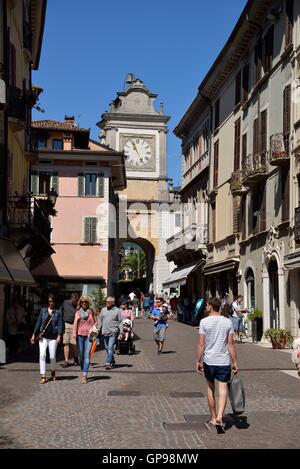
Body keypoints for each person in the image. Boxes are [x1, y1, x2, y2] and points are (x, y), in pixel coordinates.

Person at [195, 297, 238, 428]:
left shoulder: (204, 322)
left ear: (209, 306)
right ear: (219, 307)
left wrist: (198, 360)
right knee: (223, 388)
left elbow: (201, 344)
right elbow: (230, 344)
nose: (206, 307)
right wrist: (235, 361)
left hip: (209, 360)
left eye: (207, 305)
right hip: (223, 360)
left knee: (210, 388)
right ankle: (220, 416)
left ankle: (213, 417)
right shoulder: (227, 322)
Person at [31, 294, 63, 384]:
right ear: (47, 302)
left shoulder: (58, 312)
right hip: (43, 337)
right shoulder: (43, 311)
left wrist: (59, 335)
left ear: (55, 302)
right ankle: (43, 375)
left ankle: (53, 371)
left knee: (52, 356)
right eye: (49, 301)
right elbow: (38, 322)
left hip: (53, 337)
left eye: (52, 301)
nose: (51, 303)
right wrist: (34, 334)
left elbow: (60, 324)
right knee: (42, 355)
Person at [72, 296, 96, 384]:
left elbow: (96, 322)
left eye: (86, 302)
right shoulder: (78, 313)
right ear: (80, 303)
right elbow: (75, 323)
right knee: (81, 355)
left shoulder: (91, 312)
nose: (84, 303)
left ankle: (85, 375)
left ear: (88, 303)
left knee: (87, 355)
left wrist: (94, 332)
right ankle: (83, 369)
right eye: (82, 302)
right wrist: (74, 334)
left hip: (89, 337)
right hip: (80, 336)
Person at [97, 296, 123, 370]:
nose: (106, 303)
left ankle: (108, 363)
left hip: (113, 332)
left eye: (108, 302)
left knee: (110, 347)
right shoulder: (103, 310)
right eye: (106, 302)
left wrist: (121, 332)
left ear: (112, 303)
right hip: (105, 332)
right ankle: (112, 360)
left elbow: (120, 322)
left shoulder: (117, 310)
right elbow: (99, 319)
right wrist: (98, 329)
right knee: (107, 348)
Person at [60, 292, 79, 367]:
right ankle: (66, 360)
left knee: (74, 344)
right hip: (66, 324)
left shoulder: (78, 305)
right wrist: (60, 320)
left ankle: (75, 357)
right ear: (71, 298)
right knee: (66, 343)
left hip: (74, 325)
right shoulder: (65, 302)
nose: (74, 302)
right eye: (73, 300)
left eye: (76, 300)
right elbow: (60, 311)